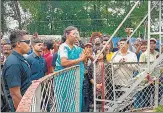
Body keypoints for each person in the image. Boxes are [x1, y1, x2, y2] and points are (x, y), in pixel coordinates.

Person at [54, 26, 87, 112]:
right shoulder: (63, 47)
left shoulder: (78, 49)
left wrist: (86, 56)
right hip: (63, 80)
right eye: (74, 34)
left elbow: (84, 62)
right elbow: (64, 63)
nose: (76, 36)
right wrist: (80, 59)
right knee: (64, 102)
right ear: (67, 35)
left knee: (75, 102)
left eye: (77, 34)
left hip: (75, 80)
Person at [2, 30, 32, 111]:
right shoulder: (13, 63)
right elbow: (15, 95)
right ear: (18, 43)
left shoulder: (20, 59)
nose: (30, 45)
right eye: (27, 42)